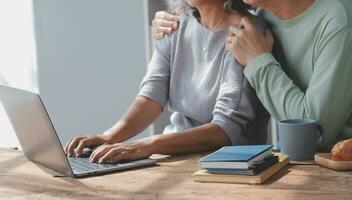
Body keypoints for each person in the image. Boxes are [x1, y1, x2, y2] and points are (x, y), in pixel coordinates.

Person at [65, 0, 269, 164]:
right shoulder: (175, 23)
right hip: (174, 156)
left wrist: (148, 145)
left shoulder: (245, 32)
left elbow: (224, 130)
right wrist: (109, 136)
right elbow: (152, 94)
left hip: (229, 165)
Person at [153, 0, 352, 150]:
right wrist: (168, 21)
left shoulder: (338, 19)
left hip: (338, 171)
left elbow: (312, 133)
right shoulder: (259, 17)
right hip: (296, 162)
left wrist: (258, 60)